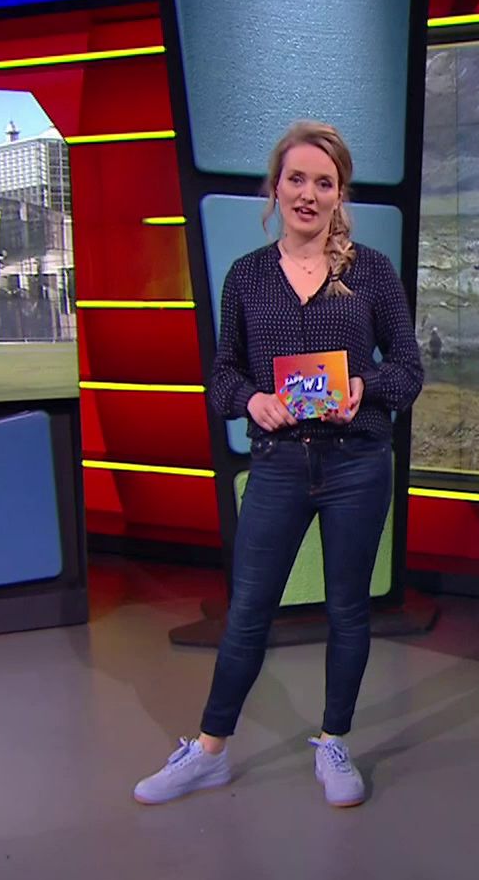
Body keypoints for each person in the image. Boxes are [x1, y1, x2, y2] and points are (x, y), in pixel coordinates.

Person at [134, 120, 422, 810]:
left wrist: (364, 387)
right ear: (275, 187)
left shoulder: (371, 273)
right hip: (278, 466)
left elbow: (409, 370)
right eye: (297, 179)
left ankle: (333, 741)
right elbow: (222, 376)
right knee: (248, 611)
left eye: (324, 182)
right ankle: (209, 752)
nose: (308, 194)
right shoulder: (247, 276)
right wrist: (251, 401)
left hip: (357, 464)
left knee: (347, 610)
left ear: (339, 194)